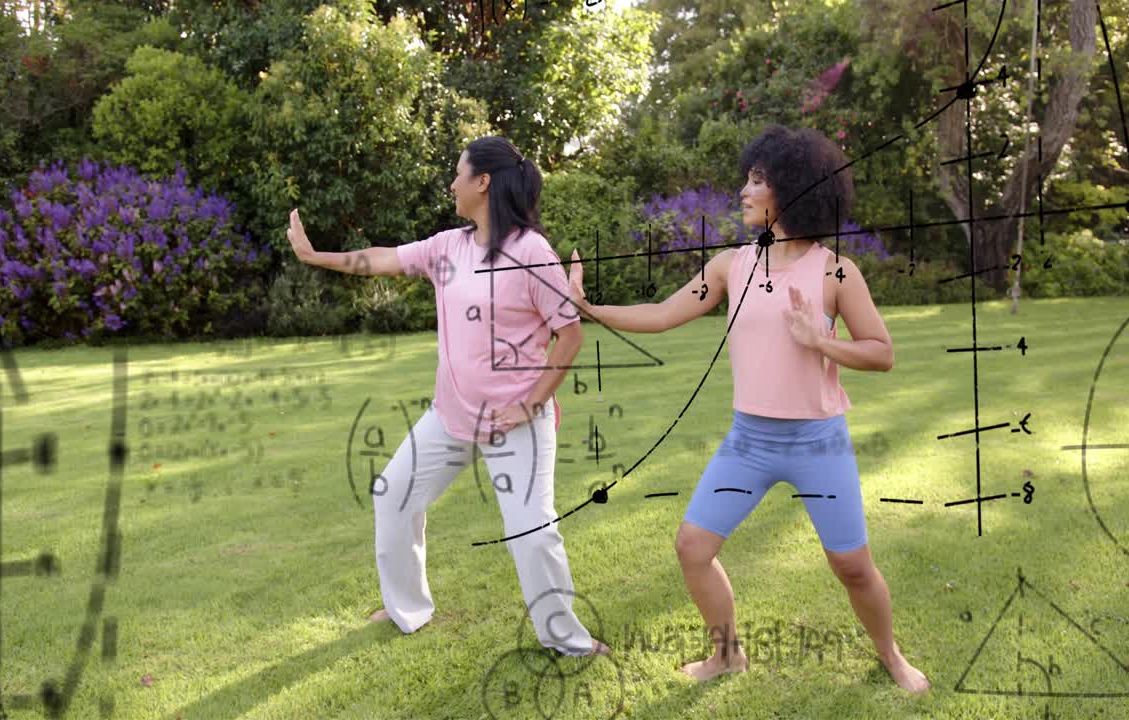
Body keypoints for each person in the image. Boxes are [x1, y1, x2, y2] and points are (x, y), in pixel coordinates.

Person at [567, 125, 927, 691]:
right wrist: (586, 305)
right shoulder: (731, 266)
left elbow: (882, 353)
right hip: (749, 442)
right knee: (693, 547)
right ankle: (727, 654)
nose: (743, 191)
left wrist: (822, 340)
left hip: (817, 441)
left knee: (852, 567)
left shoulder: (835, 270)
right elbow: (662, 314)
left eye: (756, 180)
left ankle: (891, 655)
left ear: (791, 189)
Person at [284, 136, 610, 657]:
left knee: (531, 532)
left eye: (458, 173)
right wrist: (316, 256)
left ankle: (567, 640)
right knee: (393, 494)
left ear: (483, 182)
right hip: (452, 416)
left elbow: (568, 336)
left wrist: (530, 405)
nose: (451, 183)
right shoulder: (448, 247)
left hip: (517, 423)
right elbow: (384, 259)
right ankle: (406, 607)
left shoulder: (530, 252)